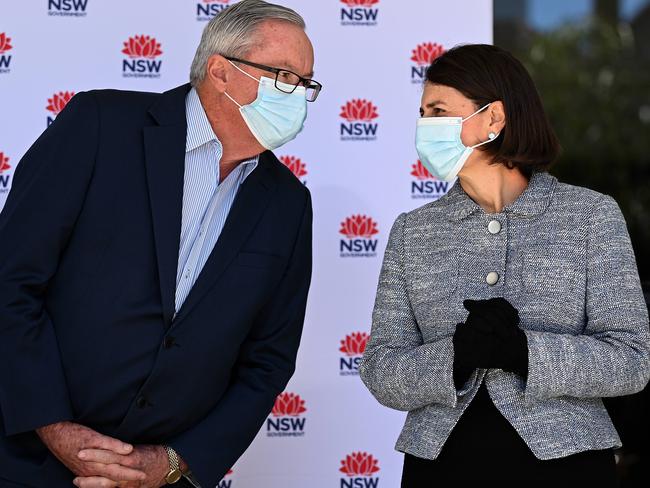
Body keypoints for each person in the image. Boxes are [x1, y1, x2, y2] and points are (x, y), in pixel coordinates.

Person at [0, 1, 321, 486]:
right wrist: (54, 426)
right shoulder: (101, 125)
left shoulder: (288, 203)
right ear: (221, 72)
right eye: (284, 76)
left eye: (306, 82)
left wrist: (174, 461)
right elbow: (11, 281)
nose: (298, 94)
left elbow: (267, 362)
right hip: (27, 461)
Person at [359, 44, 650, 487]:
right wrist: (456, 357)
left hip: (567, 469)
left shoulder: (590, 216)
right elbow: (382, 369)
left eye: (438, 110)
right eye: (422, 112)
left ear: (493, 119)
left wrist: (524, 352)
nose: (424, 126)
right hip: (441, 468)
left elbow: (631, 361)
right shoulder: (412, 232)